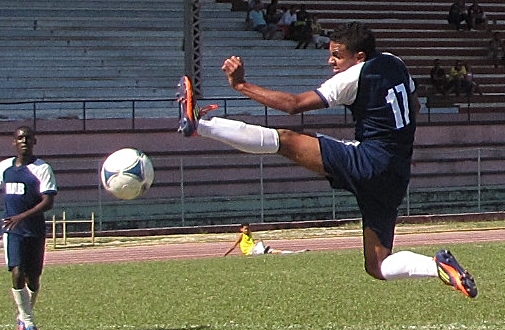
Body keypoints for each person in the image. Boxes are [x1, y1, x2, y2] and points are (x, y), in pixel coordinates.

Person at [176, 21, 477, 298]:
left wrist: (242, 86)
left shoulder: (353, 76)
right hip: (396, 172)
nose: (330, 61)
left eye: (337, 55)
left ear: (359, 56)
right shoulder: (394, 62)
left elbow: (294, 105)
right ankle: (436, 265)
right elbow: (414, 106)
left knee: (286, 140)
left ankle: (200, 125)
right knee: (377, 265)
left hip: (370, 159)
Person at [0, 126, 57, 330]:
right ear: (13, 142)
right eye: (20, 138)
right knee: (17, 272)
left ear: (35, 141)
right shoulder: (4, 168)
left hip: (34, 230)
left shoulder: (42, 169)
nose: (24, 141)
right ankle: (28, 323)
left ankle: (23, 318)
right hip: (12, 231)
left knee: (33, 279)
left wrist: (21, 216)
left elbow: (48, 201)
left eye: (28, 138)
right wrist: (13, 220)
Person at [223, 222, 308, 256]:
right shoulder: (241, 235)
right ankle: (262, 250)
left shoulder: (250, 234)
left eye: (248, 228)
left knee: (275, 251)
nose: (247, 230)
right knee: (260, 243)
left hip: (255, 249)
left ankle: (295, 253)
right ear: (241, 229)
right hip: (250, 252)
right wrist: (225, 254)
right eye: (245, 229)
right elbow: (233, 246)